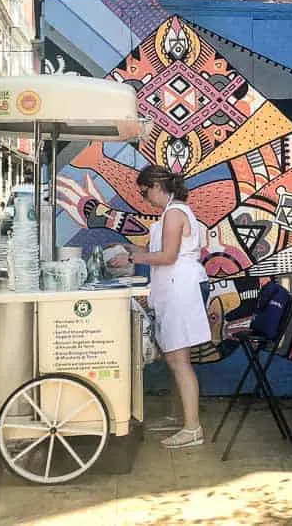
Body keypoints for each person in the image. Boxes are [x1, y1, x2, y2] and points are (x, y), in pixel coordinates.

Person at [109, 164, 211, 448]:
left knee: (180, 360)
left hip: (183, 290)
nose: (144, 198)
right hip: (176, 289)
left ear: (157, 186)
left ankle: (192, 428)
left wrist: (133, 260)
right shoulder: (172, 213)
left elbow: (167, 256)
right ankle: (181, 417)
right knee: (175, 358)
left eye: (144, 192)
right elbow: (164, 254)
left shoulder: (175, 213)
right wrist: (134, 251)